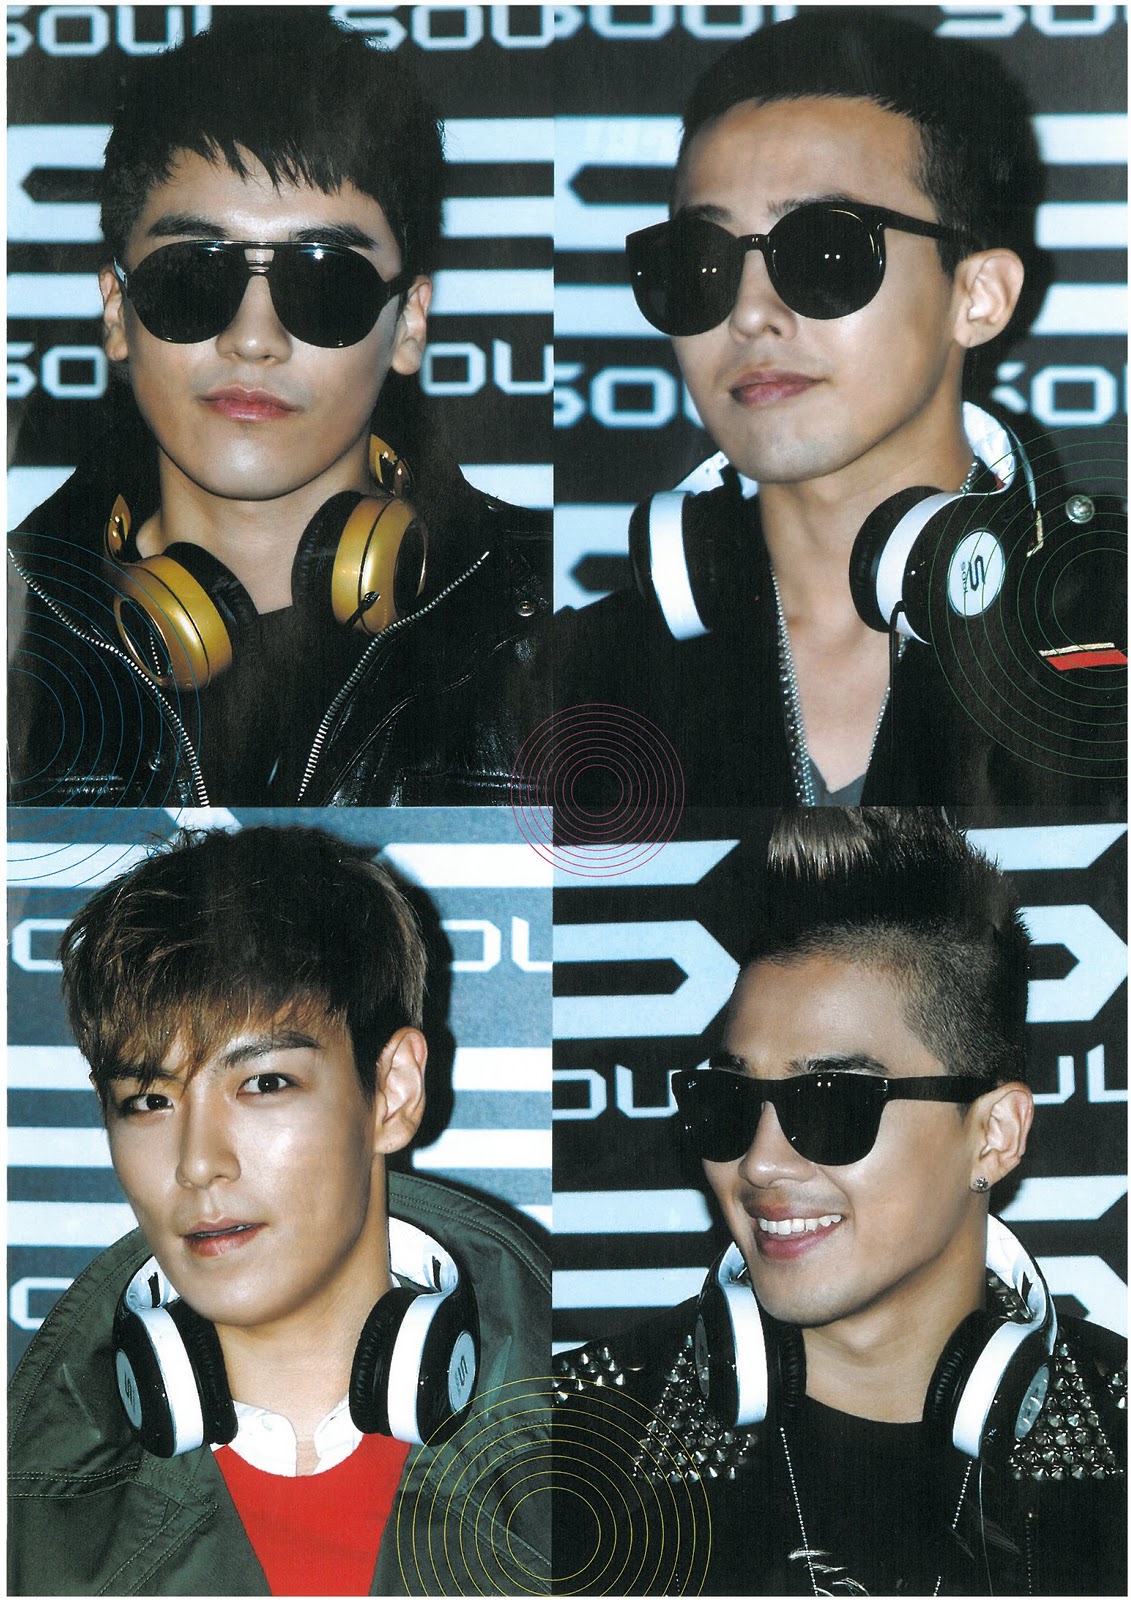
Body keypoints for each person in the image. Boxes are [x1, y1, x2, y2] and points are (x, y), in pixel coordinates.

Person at [552, 9, 1125, 808]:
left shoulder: (1110, 637)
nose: (749, 314)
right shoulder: (568, 687)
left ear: (978, 296)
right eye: (702, 260)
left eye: (825, 251)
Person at [552, 809, 1126, 1595]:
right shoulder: (560, 1442)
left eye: (830, 1103)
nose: (758, 1162)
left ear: (993, 1135)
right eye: (727, 1103)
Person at [8, 9, 550, 808]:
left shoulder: (550, 621)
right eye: (193, 275)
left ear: (410, 324)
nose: (253, 338)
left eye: (326, 280)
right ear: (116, 312)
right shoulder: (14, 624)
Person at [8, 825, 549, 1596]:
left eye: (263, 1083)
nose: (198, 1162)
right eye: (148, 1100)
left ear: (392, 1092)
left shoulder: (605, 1467)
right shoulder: (24, 1527)